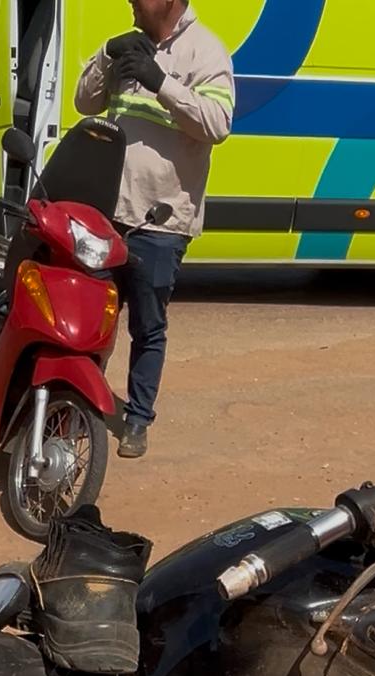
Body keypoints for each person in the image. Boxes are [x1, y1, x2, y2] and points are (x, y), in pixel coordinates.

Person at [76, 1, 234, 458]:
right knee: (91, 318)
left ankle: (138, 419)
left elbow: (217, 124)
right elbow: (84, 102)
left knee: (147, 328)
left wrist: (160, 82)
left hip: (161, 224)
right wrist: (108, 52)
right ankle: (81, 402)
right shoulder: (129, 44)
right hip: (108, 212)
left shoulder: (206, 53)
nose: (130, 1)